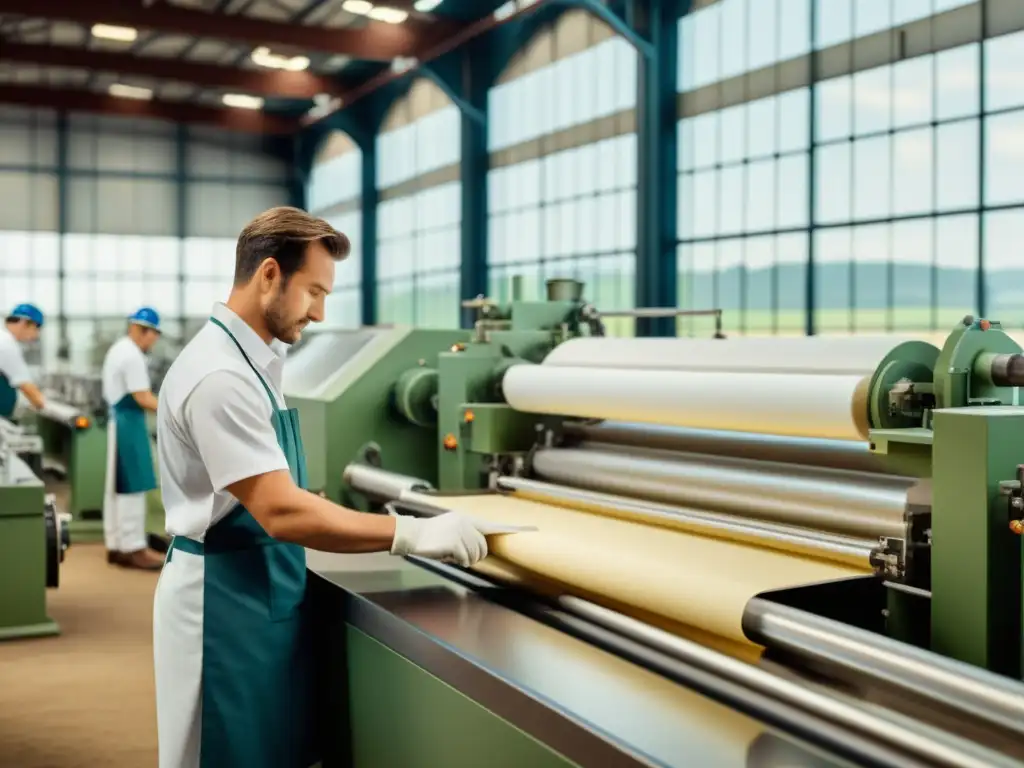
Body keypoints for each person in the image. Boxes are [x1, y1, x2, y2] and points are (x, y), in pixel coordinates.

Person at [153, 207, 528, 768]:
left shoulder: (253, 362)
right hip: (221, 607)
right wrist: (412, 532)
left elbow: (267, 495)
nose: (321, 313)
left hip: (258, 592)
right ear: (270, 274)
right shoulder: (221, 377)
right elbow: (279, 512)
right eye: (313, 292)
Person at [101, 307, 164, 570]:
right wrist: (177, 412)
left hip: (122, 421)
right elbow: (143, 398)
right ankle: (134, 547)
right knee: (132, 486)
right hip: (129, 423)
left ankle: (117, 544)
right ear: (141, 330)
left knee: (118, 487)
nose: (155, 341)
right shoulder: (132, 356)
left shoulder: (119, 348)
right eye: (154, 335)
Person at [0, 303, 46, 420]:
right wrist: (43, 404)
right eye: (36, 329)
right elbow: (25, 384)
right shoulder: (6, 343)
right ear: (24, 323)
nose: (35, 335)